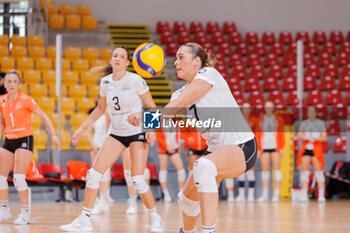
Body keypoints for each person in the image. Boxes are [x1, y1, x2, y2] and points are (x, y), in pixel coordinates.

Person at [130, 42, 257, 233]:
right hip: (216, 150)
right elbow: (169, 112)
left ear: (197, 62)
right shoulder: (178, 93)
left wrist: (148, 119)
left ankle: (208, 231)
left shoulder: (209, 74)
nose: (176, 63)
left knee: (203, 166)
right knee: (186, 199)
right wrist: (144, 123)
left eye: (182, 57)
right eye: (176, 58)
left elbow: (180, 103)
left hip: (242, 145)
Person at [59, 47, 163, 232]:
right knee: (93, 174)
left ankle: (156, 217)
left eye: (122, 56)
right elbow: (100, 110)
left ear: (127, 62)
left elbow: (152, 106)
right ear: (111, 60)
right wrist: (81, 129)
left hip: (137, 133)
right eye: (115, 55)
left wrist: (151, 128)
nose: (118, 58)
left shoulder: (135, 80)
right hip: (116, 133)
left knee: (138, 179)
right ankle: (84, 220)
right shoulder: (105, 82)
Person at [0, 71, 60, 225]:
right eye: (9, 81)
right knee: (0, 178)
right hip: (9, 139)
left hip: (24, 139)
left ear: (19, 84)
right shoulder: (1, 101)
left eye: (15, 81)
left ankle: (25, 213)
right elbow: (2, 122)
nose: (12, 84)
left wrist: (53, 134)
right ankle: (4, 209)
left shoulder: (27, 100)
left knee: (18, 178)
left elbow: (44, 117)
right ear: (4, 84)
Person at [86, 97, 114, 214]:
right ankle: (98, 196)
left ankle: (105, 195)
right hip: (96, 145)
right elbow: (87, 132)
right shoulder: (95, 116)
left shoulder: (109, 114)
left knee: (106, 171)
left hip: (106, 145)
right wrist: (93, 145)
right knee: (95, 172)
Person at [296, 105, 327, 203]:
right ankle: (304, 195)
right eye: (309, 112)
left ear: (316, 113)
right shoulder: (304, 123)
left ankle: (321, 195)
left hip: (316, 149)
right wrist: (304, 136)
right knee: (304, 172)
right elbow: (299, 136)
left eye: (313, 111)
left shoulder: (320, 123)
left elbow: (324, 138)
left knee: (319, 172)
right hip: (306, 148)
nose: (311, 113)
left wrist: (316, 138)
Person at [255, 100, 285, 202]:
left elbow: (282, 134)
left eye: (270, 106)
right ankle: (265, 194)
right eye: (266, 106)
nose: (268, 108)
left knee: (277, 170)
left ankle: (276, 194)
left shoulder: (278, 119)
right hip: (264, 147)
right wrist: (258, 149)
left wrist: (281, 147)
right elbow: (258, 134)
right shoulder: (261, 119)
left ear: (273, 108)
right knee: (265, 171)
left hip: (275, 147)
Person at [233, 102, 259, 202]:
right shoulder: (237, 120)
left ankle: (251, 195)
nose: (246, 110)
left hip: (250, 146)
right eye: (245, 108)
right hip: (239, 147)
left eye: (248, 108)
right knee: (240, 171)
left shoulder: (255, 120)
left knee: (251, 171)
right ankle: (242, 195)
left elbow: (258, 135)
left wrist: (258, 149)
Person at [156, 128, 186, 202]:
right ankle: (166, 194)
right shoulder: (159, 121)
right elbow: (158, 136)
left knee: (181, 170)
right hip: (163, 149)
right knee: (163, 171)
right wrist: (167, 146)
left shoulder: (176, 120)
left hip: (174, 148)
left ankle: (181, 192)